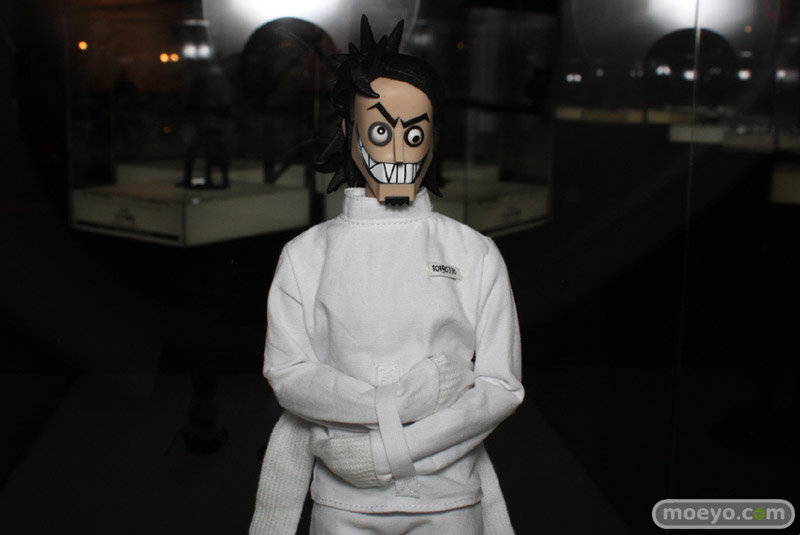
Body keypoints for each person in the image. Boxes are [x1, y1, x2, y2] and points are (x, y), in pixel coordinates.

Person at [250, 16, 523, 535]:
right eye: (380, 131)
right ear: (350, 135)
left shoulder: (474, 253)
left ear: (434, 140)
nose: (398, 151)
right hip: (342, 503)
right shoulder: (305, 257)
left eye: (414, 133)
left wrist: (385, 452)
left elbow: (499, 387)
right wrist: (403, 403)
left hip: (450, 502)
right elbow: (289, 375)